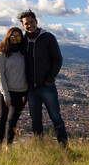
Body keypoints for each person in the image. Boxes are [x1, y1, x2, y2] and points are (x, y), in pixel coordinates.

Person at [18, 9, 68, 147]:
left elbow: (57, 59)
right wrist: (2, 46)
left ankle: (64, 147)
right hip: (31, 88)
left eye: (31, 22)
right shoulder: (22, 41)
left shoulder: (48, 37)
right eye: (26, 23)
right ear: (23, 26)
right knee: (35, 120)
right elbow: (11, 49)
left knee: (56, 117)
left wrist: (49, 79)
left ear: (36, 21)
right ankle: (40, 147)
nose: (29, 25)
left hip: (47, 86)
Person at [0, 27, 28, 148]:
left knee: (12, 122)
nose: (15, 39)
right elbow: (0, 76)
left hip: (21, 92)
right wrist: (6, 95)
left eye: (18, 37)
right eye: (12, 37)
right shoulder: (1, 53)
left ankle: (8, 147)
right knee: (2, 119)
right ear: (8, 37)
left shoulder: (25, 52)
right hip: (5, 92)